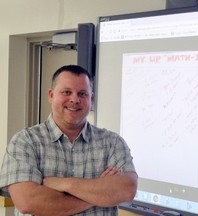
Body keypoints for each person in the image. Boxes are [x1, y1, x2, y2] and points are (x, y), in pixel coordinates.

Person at [0, 65, 138, 216]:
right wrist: (99, 195)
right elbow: (28, 202)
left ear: (91, 99)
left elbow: (127, 190)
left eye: (82, 94)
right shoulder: (25, 142)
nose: (75, 99)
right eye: (67, 92)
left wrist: (63, 184)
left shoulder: (112, 143)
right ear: (51, 95)